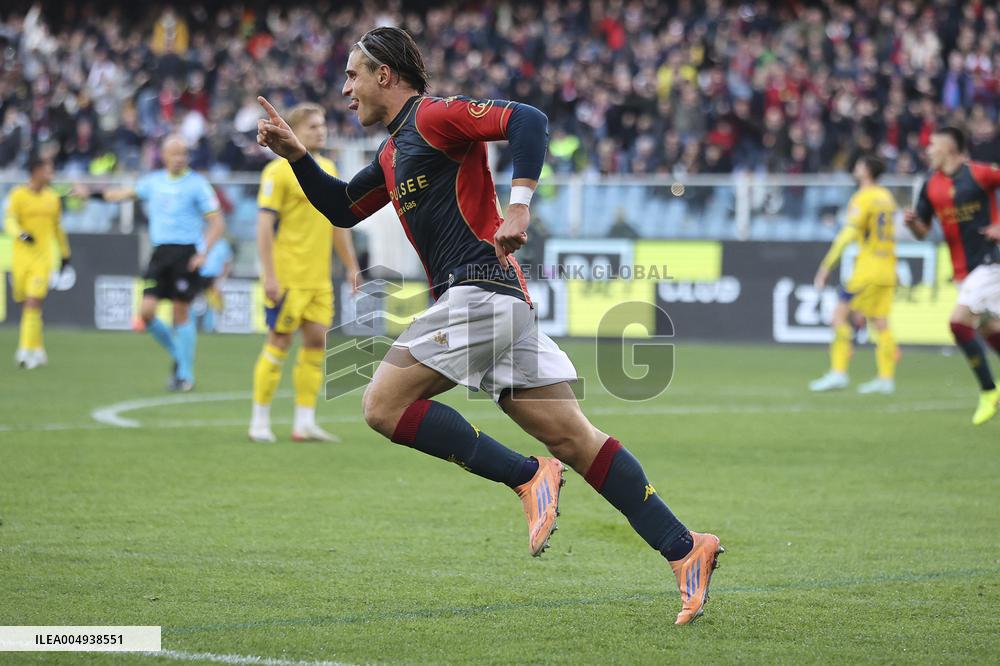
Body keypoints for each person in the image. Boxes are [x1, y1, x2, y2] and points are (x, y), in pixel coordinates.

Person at [256, 26, 723, 625]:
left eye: (352, 75)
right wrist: (298, 157)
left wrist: (521, 202)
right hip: (499, 304)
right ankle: (687, 549)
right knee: (577, 440)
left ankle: (528, 476)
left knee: (381, 406)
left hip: (479, 293)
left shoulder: (435, 116)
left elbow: (528, 119)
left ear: (385, 76)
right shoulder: (393, 153)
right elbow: (343, 207)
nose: (344, 89)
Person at [250, 102, 361, 443]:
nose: (321, 130)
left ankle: (304, 421)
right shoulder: (278, 172)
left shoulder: (327, 167)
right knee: (279, 342)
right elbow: (264, 227)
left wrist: (353, 266)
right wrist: (269, 275)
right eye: (312, 126)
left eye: (323, 123)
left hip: (318, 279)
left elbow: (338, 224)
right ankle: (259, 420)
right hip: (287, 277)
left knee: (316, 342)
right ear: (295, 131)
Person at [87, 135, 224, 391]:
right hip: (160, 254)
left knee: (180, 313)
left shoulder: (197, 185)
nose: (179, 158)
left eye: (183, 153)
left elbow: (217, 223)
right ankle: (179, 355)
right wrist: (91, 194)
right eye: (174, 153)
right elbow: (122, 194)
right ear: (163, 156)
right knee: (146, 312)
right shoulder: (154, 182)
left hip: (186, 253)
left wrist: (203, 252)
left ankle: (185, 374)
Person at [905, 126, 1000, 425]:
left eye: (931, 145)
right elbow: (922, 232)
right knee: (987, 328)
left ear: (948, 147)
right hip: (963, 269)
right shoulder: (930, 185)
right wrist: (912, 224)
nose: (927, 150)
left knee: (958, 323)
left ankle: (988, 391)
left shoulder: (981, 173)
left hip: (990, 261)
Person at [810, 155, 898, 394]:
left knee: (838, 315)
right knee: (881, 322)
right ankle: (886, 378)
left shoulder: (863, 197)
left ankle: (838, 372)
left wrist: (827, 265)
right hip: (888, 267)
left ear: (867, 171)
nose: (855, 168)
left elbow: (848, 234)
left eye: (859, 165)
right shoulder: (887, 197)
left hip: (867, 270)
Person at [4, 155, 71, 369]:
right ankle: (39, 348)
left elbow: (58, 229)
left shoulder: (53, 198)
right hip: (21, 259)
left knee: (33, 302)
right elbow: (9, 220)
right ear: (35, 172)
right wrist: (21, 234)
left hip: (43, 260)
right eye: (47, 170)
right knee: (27, 305)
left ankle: (24, 351)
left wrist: (65, 253)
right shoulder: (18, 195)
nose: (50, 175)